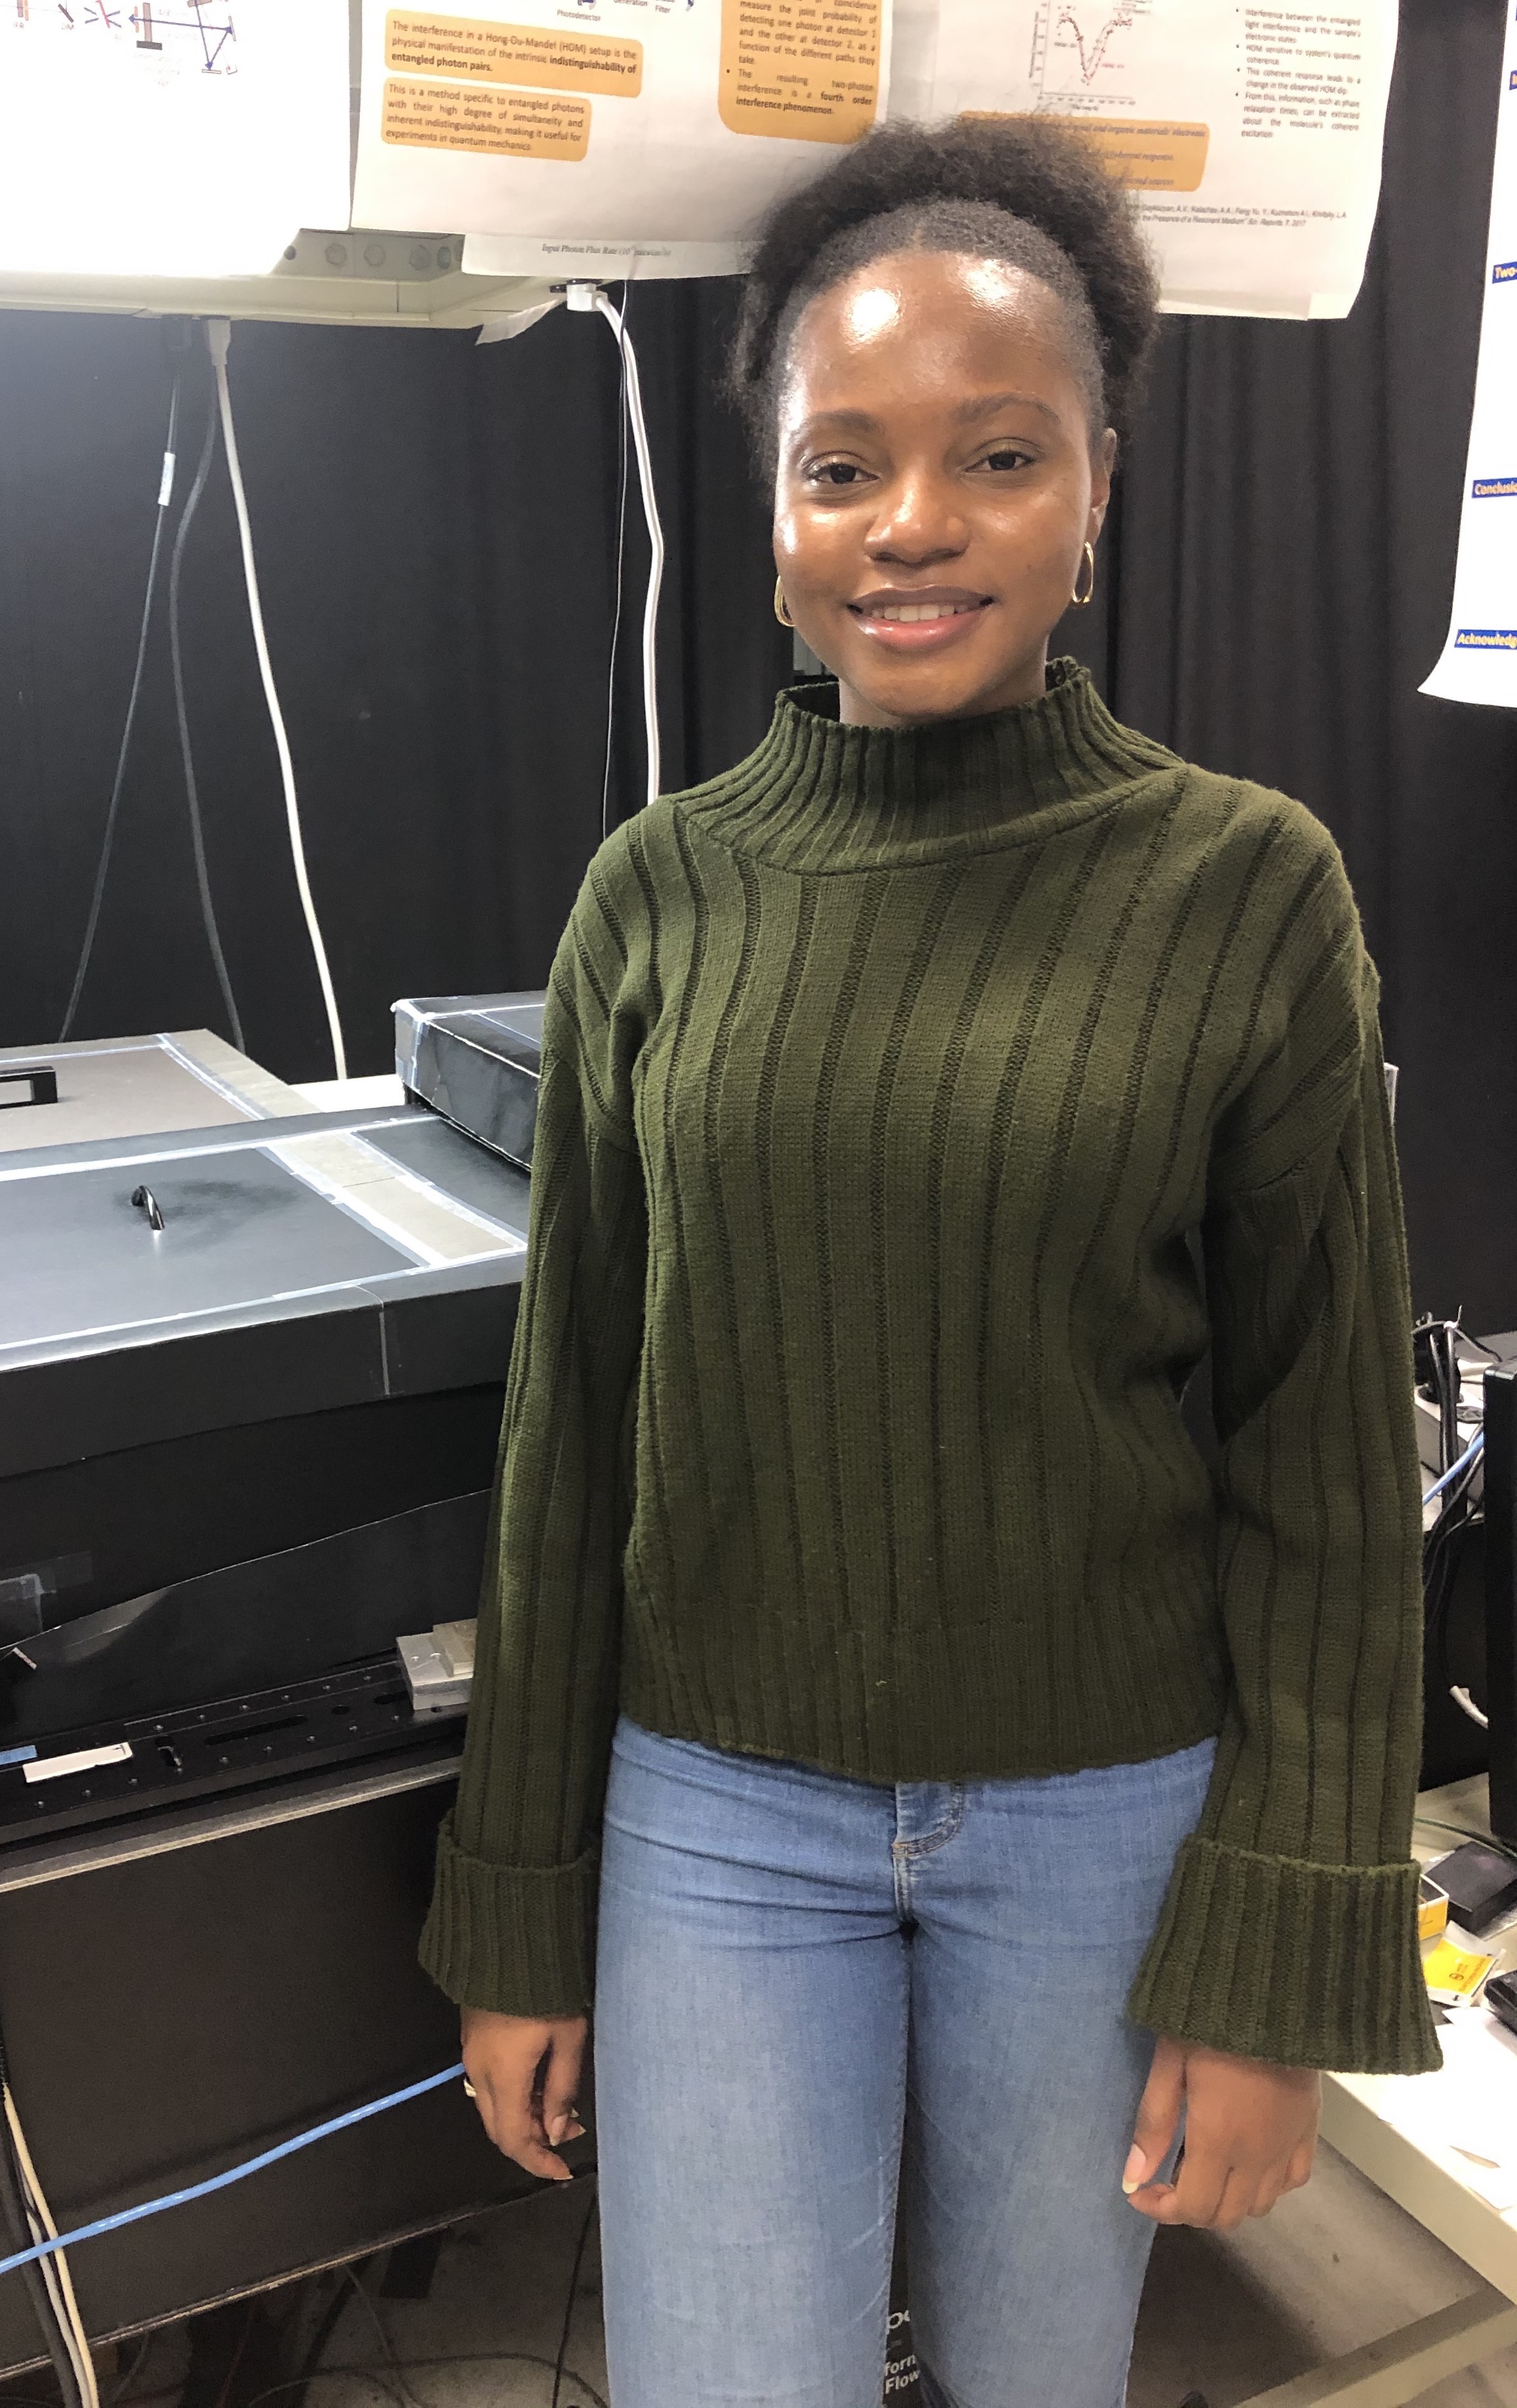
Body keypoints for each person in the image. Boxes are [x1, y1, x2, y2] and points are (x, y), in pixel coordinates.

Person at [420, 112, 1437, 2408]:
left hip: (1101, 1827)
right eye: (841, 464)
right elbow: (571, 1436)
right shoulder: (653, 900)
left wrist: (1281, 1963)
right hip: (715, 1825)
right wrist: (516, 1909)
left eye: (995, 455)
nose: (910, 525)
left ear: (1094, 494)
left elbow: (1320, 1466)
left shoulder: (1247, 892)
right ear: (774, 511)